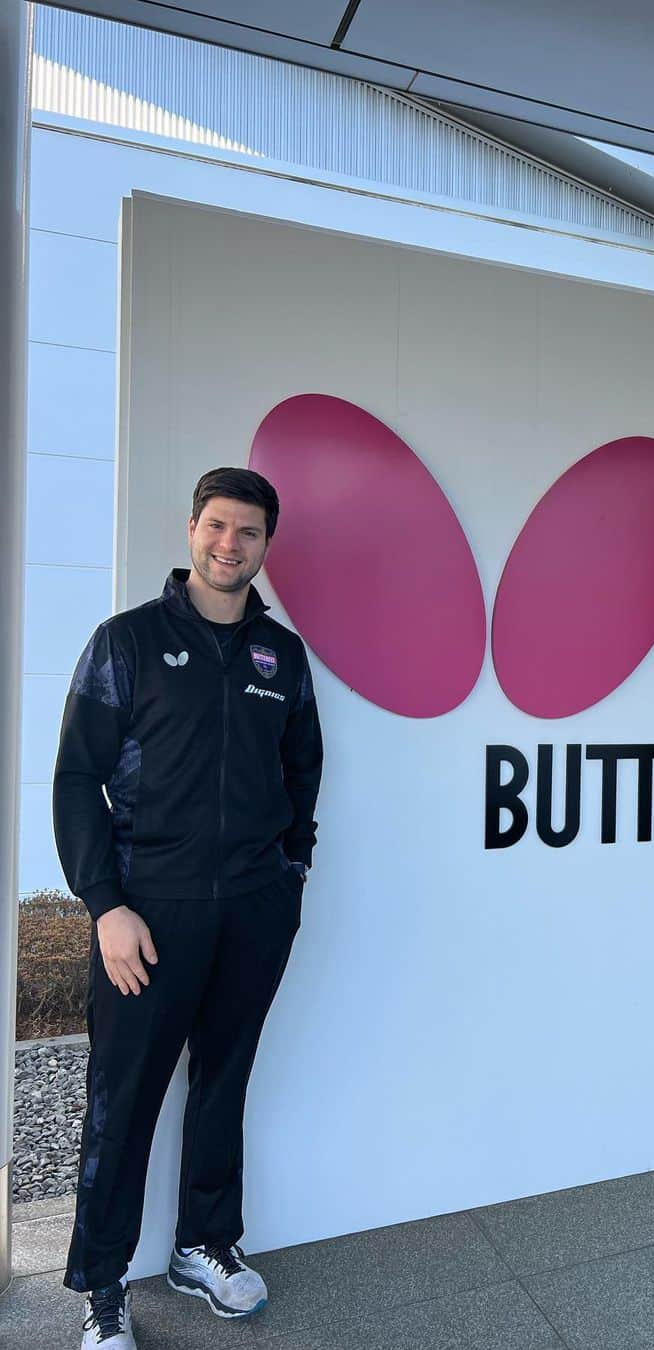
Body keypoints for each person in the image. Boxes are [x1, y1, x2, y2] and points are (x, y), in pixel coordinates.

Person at [52, 466, 323, 1349]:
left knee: (224, 1079)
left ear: (266, 546)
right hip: (147, 913)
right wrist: (104, 904)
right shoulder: (125, 643)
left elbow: (303, 772)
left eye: (248, 532)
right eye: (216, 526)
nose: (228, 545)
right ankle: (102, 1288)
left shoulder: (281, 657)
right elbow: (75, 779)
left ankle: (204, 1244)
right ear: (191, 529)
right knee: (122, 1098)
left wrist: (290, 877)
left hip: (252, 908)